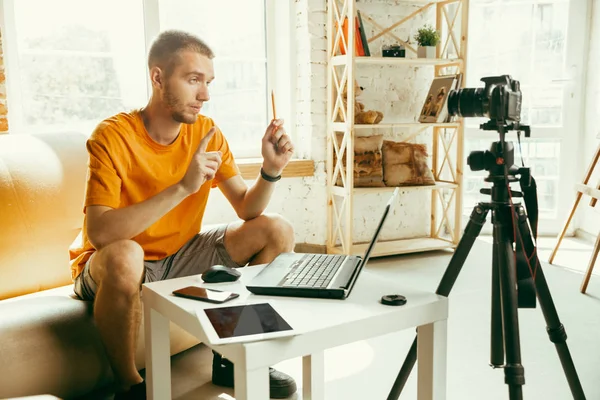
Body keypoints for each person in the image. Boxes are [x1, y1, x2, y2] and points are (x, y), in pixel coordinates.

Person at [69, 30, 298, 399]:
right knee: (128, 254)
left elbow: (246, 207)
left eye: (207, 82)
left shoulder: (206, 132)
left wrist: (271, 170)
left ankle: (233, 356)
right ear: (158, 78)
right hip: (114, 263)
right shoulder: (112, 136)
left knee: (277, 230)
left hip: (182, 253)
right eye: (193, 80)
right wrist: (182, 188)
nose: (205, 94)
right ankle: (128, 385)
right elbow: (101, 234)